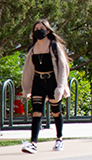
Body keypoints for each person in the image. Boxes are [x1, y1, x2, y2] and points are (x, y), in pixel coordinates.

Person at [21, 19, 71, 154]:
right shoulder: (32, 49)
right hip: (38, 82)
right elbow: (28, 70)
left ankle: (59, 139)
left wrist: (61, 87)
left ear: (48, 30)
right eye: (36, 29)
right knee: (36, 112)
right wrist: (26, 89)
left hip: (53, 82)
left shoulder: (54, 46)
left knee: (56, 111)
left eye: (41, 28)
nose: (38, 31)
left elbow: (63, 67)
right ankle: (33, 143)